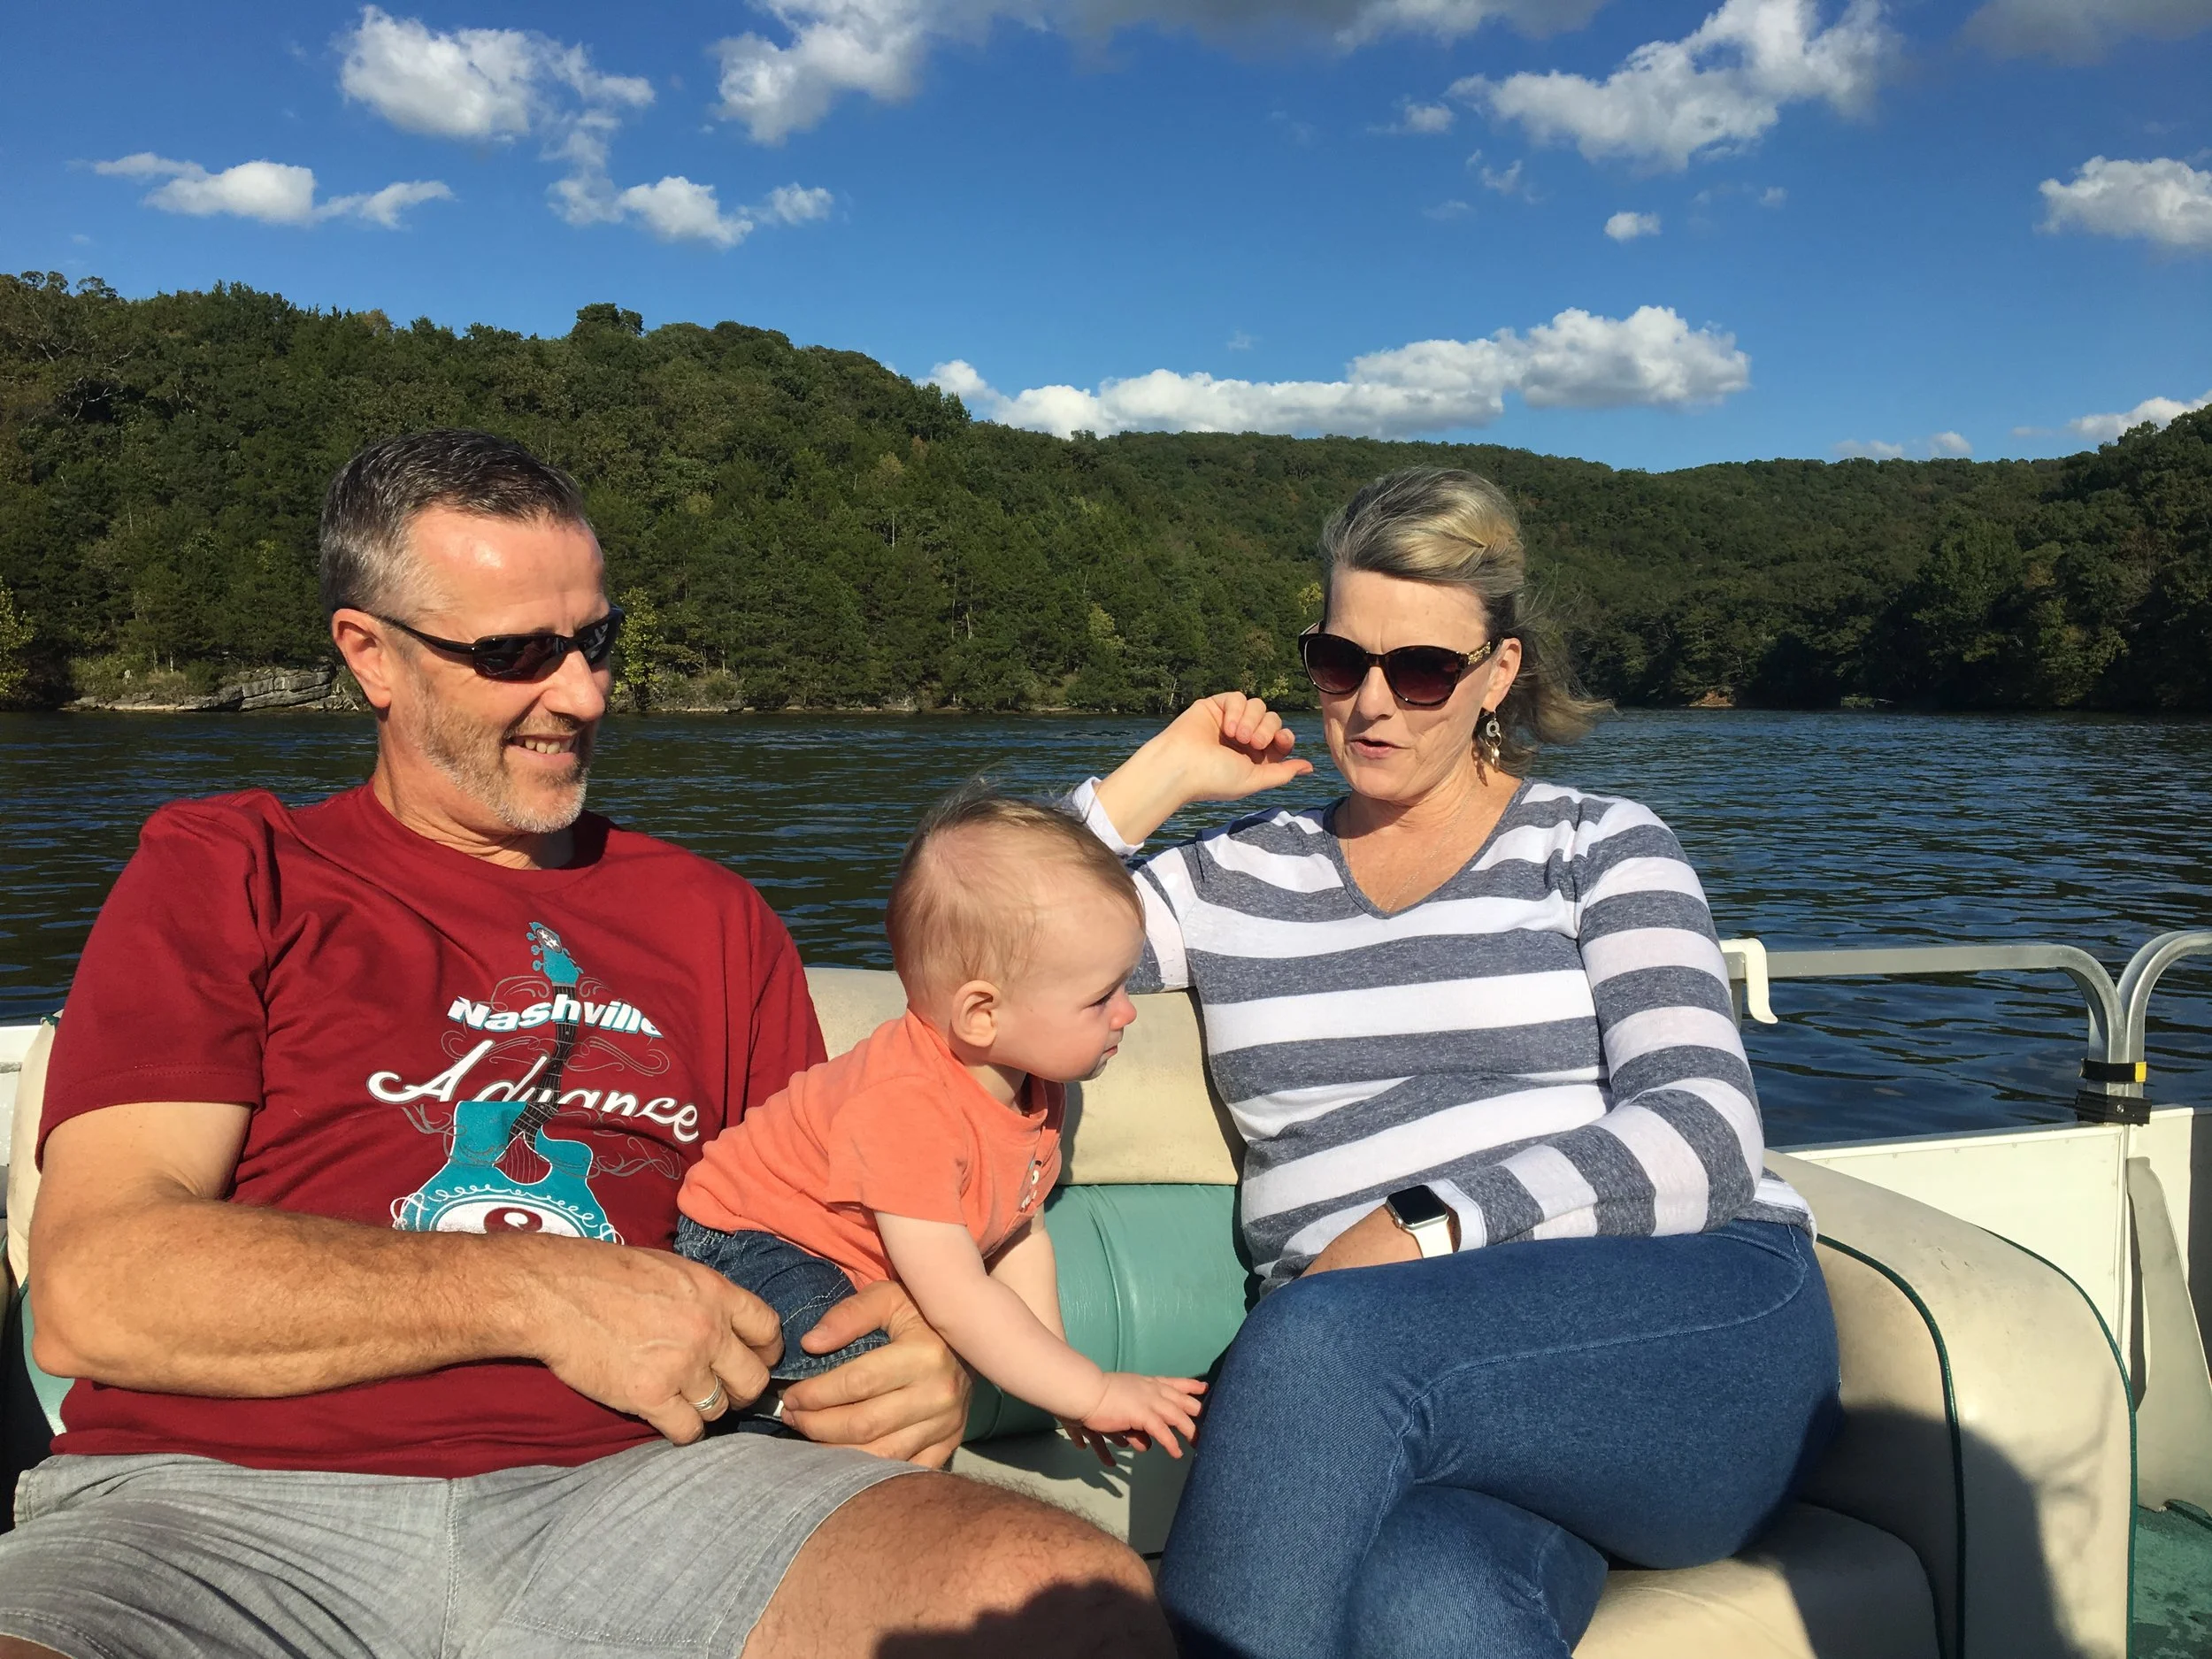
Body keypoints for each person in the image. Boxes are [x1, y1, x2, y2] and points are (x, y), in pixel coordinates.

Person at [0, 430, 1171, 1659]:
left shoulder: (715, 919)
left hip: (657, 1489)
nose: (584, 694)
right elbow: (97, 1287)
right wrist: (540, 1291)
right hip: (213, 1508)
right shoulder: (228, 871)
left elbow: (820, 1226)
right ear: (371, 654)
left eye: (595, 640)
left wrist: (923, 1360)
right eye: (516, 653)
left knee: (1067, 1596)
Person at [1071, 467, 1841, 1659]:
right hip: (1421, 1393)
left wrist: (1417, 1226)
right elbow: (979, 954)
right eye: (1339, 662)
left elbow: (1704, 1132)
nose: (1372, 704)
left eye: (1422, 669)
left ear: (1498, 671)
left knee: (1324, 1339)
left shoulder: (1601, 845)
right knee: (1429, 1605)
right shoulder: (1228, 878)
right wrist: (1154, 779)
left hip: (1689, 1322)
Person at [675, 788, 1205, 1460]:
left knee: (890, 1381)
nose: (1127, 1013)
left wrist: (1064, 1381)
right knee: (858, 1380)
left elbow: (1018, 1235)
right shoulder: (908, 1106)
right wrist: (1092, 1391)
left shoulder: (1037, 1087)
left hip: (844, 1264)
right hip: (751, 1242)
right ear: (982, 1014)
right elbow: (957, 1298)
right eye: (1101, 997)